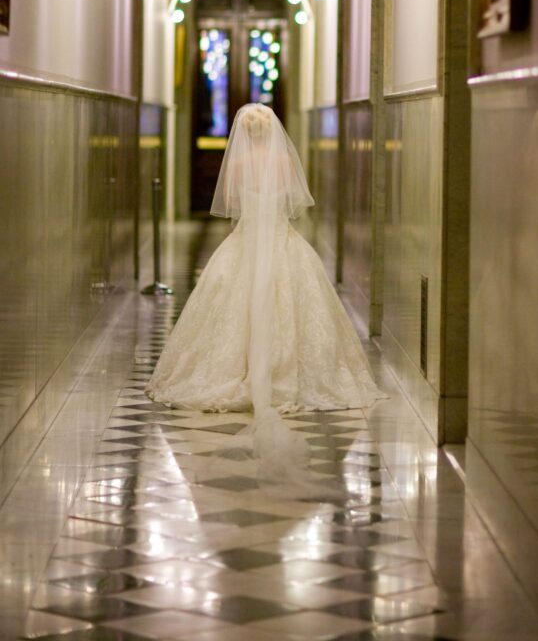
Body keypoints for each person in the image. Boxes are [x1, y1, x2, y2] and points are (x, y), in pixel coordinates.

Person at [145, 103, 384, 471]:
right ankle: (286, 373)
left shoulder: (238, 166)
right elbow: (293, 206)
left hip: (245, 240)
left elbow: (233, 205)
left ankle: (232, 370)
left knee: (227, 303)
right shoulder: (285, 164)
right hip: (281, 239)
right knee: (293, 302)